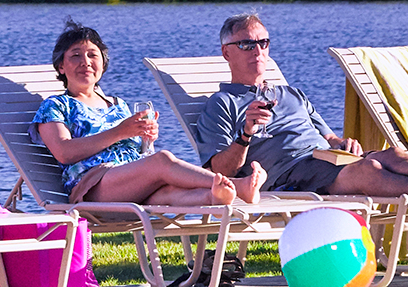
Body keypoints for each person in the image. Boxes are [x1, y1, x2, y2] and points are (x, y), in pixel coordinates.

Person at [199, 13, 408, 198]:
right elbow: (219, 171)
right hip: (289, 175)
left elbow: (329, 137)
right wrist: (246, 133)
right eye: (247, 45)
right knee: (366, 171)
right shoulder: (221, 105)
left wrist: (343, 143)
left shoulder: (291, 94)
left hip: (324, 159)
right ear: (227, 52)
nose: (258, 51)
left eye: (263, 43)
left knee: (392, 154)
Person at [33, 19, 259, 207]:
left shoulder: (116, 103)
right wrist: (121, 132)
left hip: (129, 179)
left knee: (167, 193)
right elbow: (63, 152)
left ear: (103, 62)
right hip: (91, 186)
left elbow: (137, 152)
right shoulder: (56, 106)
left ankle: (217, 196)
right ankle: (237, 186)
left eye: (93, 55)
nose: (86, 62)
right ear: (61, 66)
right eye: (75, 56)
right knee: (161, 161)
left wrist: (145, 141)